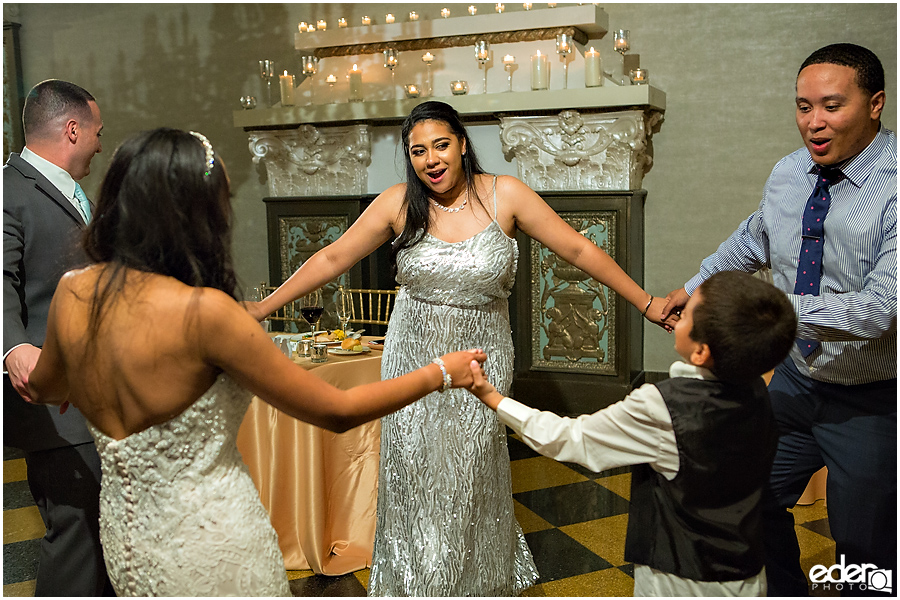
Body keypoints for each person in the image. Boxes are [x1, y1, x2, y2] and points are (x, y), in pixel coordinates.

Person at [25, 127, 487, 597]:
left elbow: (47, 388)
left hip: (129, 542)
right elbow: (337, 410)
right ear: (195, 213)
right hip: (216, 547)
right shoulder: (204, 313)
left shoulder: (73, 291)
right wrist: (442, 372)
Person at [248, 100, 677, 596]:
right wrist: (265, 308)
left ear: (462, 144)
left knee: (467, 473)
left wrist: (646, 303)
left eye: (441, 145)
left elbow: (578, 249)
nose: (431, 159)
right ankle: (416, 581)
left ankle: (470, 580)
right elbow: (332, 256)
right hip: (412, 352)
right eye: (418, 151)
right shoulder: (398, 204)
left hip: (481, 357)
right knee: (414, 472)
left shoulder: (505, 195)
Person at [661, 43, 896, 595]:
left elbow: (883, 308)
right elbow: (753, 239)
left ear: (875, 104)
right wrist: (696, 286)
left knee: (866, 546)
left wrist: (767, 312)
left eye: (831, 106)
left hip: (874, 396)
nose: (813, 122)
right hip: (794, 383)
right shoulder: (789, 173)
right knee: (746, 494)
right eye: (802, 106)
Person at [467, 271, 797, 596]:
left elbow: (571, 439)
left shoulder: (663, 406)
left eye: (686, 315)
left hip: (680, 579)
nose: (676, 316)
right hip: (747, 575)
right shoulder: (757, 389)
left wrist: (492, 397)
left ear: (701, 352)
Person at [2, 79, 113, 596]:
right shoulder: (10, 190)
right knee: (74, 536)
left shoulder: (72, 191)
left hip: (97, 391)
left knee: (101, 531)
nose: (99, 143)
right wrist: (13, 344)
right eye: (95, 132)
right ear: (73, 128)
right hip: (51, 396)